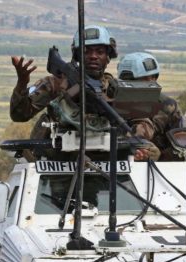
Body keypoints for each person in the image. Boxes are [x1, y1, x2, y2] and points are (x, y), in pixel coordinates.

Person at [9, 25, 158, 161]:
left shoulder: (115, 89)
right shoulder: (55, 84)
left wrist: (131, 139)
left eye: (100, 52)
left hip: (108, 166)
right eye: (86, 51)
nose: (93, 56)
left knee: (152, 151)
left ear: (108, 57)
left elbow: (144, 122)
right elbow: (19, 115)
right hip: (56, 165)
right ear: (77, 55)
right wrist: (22, 83)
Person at [116, 52, 183, 160]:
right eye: (144, 79)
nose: (151, 82)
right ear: (127, 80)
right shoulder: (111, 104)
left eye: (153, 77)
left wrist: (160, 155)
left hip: (156, 171)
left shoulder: (168, 106)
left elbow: (181, 148)